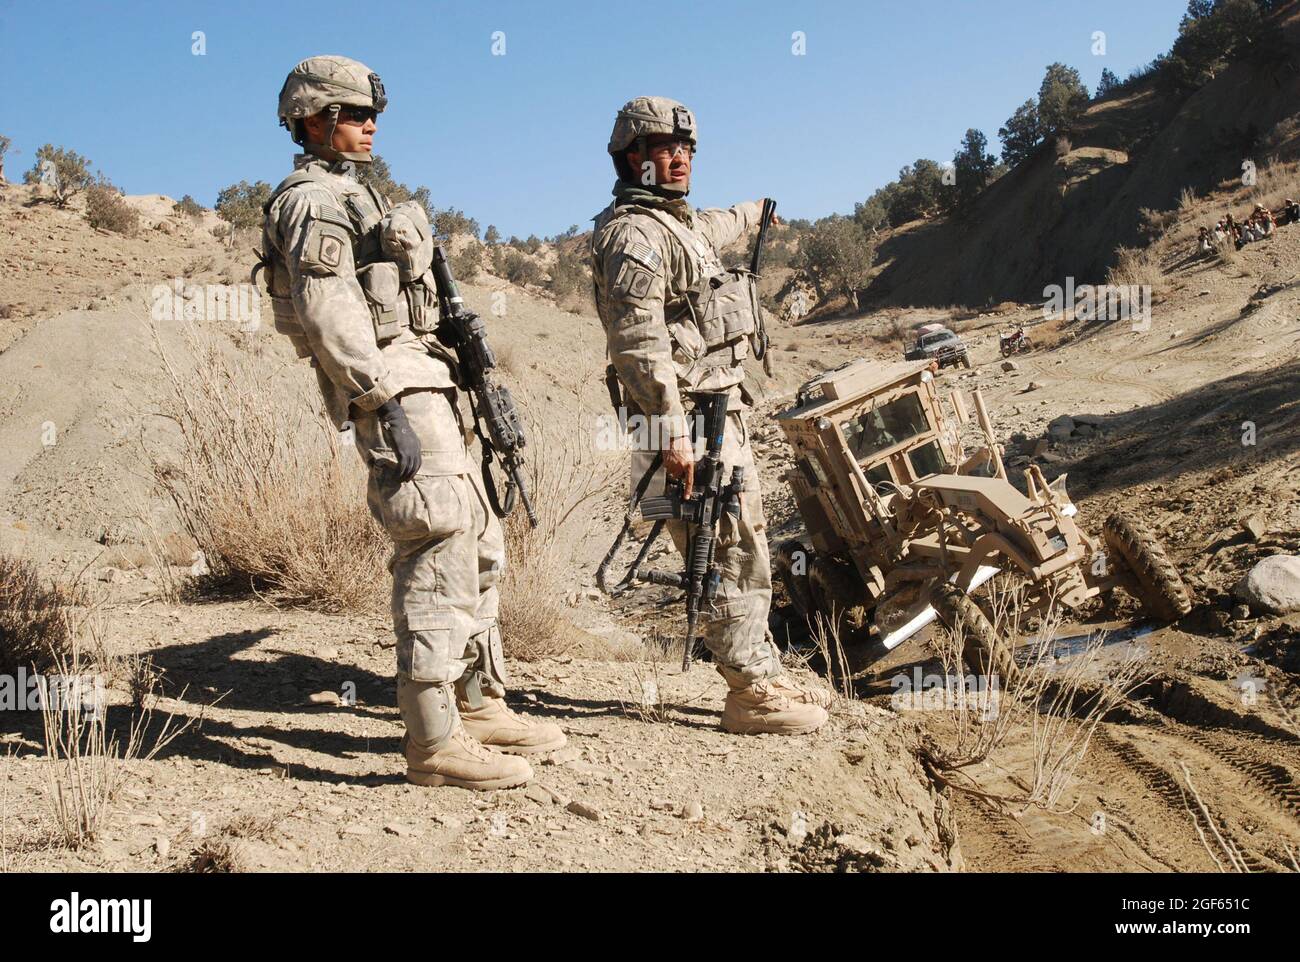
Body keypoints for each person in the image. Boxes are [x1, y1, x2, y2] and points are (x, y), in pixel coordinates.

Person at [259, 56, 565, 790]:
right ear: (314, 119)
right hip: (394, 386)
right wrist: (375, 399)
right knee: (435, 536)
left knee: (480, 540)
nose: (369, 127)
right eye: (355, 114)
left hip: (429, 378)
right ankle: (433, 739)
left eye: (372, 116)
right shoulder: (313, 202)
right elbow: (329, 312)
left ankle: (478, 700)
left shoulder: (357, 194)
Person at [590, 96, 831, 735]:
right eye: (665, 148)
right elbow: (638, 343)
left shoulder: (678, 224)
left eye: (688, 149)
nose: (680, 159)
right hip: (682, 422)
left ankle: (760, 669)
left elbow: (717, 225)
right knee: (715, 545)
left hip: (718, 412)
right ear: (631, 157)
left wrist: (756, 213)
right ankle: (748, 692)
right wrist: (670, 430)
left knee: (744, 538)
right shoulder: (634, 235)